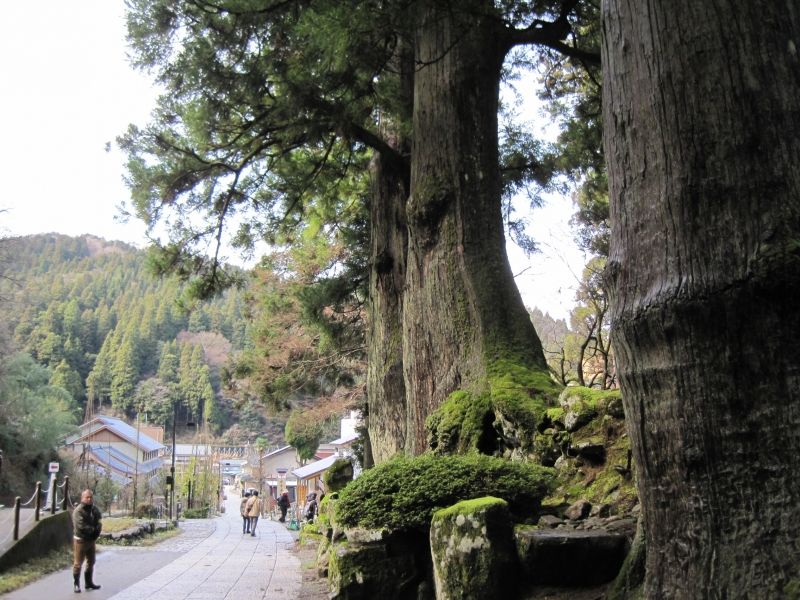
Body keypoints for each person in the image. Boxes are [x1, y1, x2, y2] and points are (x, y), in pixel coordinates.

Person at [72, 489, 102, 593]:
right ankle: (76, 584)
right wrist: (93, 530)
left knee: (91, 561)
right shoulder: (78, 511)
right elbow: (81, 526)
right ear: (82, 498)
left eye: (91, 497)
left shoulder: (93, 509)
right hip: (81, 540)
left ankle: (88, 583)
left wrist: (97, 529)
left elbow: (99, 518)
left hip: (91, 540)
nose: (89, 499)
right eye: (87, 497)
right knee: (78, 563)